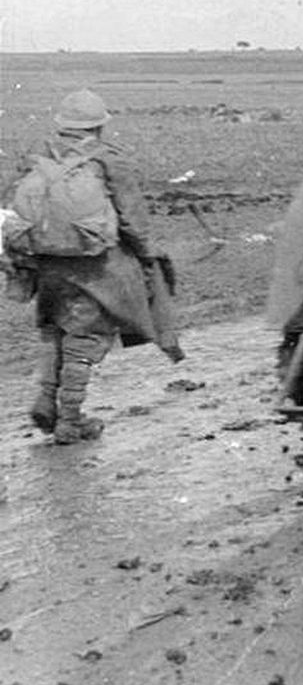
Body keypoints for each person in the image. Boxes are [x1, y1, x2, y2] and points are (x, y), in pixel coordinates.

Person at [2, 89, 183, 445]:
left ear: (63, 125)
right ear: (99, 126)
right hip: (94, 264)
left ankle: (45, 399)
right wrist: (148, 256)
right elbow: (132, 220)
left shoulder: (38, 155)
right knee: (85, 336)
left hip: (45, 260)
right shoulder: (110, 161)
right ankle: (70, 420)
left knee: (54, 328)